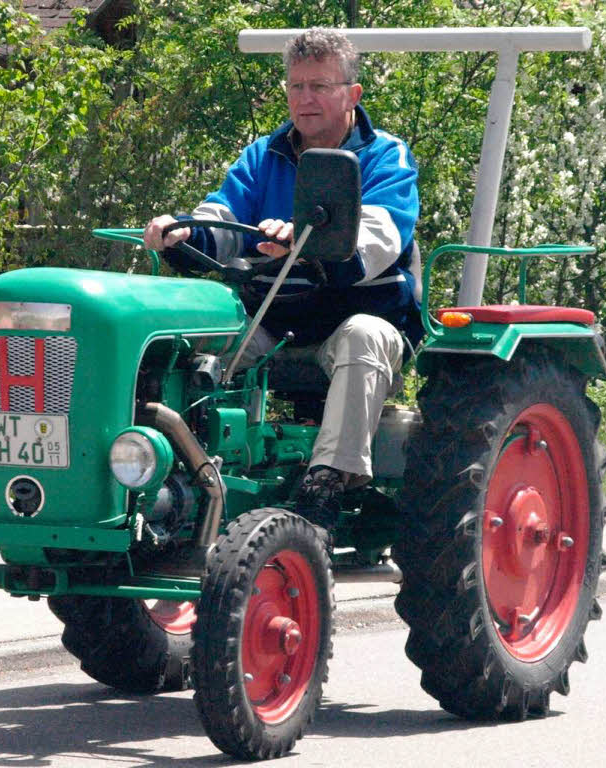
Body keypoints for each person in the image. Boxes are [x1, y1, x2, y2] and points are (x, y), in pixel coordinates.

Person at [143, 27, 421, 540]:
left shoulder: (387, 158)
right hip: (273, 321)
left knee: (365, 335)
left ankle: (325, 487)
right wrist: (183, 230)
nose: (305, 99)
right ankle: (175, 476)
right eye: (296, 86)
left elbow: (377, 238)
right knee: (189, 346)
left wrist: (306, 241)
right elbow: (223, 215)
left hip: (358, 320)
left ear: (352, 95)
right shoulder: (264, 155)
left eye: (320, 86)